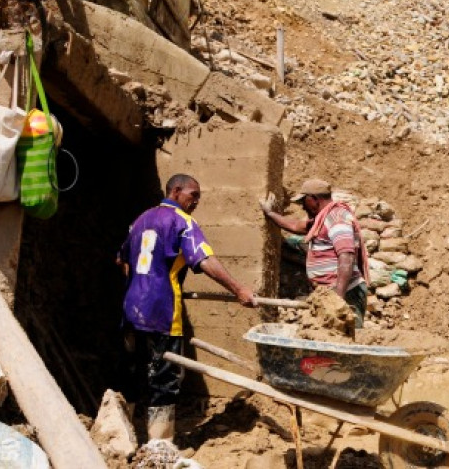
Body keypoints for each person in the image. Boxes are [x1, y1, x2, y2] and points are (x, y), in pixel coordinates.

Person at [116, 173, 255, 443]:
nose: (196, 202)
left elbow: (121, 259)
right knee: (164, 377)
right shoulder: (183, 222)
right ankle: (160, 444)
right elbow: (204, 260)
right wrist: (238, 289)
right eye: (194, 195)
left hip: (131, 309)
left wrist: (138, 284)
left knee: (130, 370)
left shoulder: (140, 220)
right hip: (162, 311)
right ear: (176, 191)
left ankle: (121, 437)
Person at [259, 178, 369, 327]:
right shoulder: (322, 219)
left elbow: (346, 256)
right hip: (329, 293)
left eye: (303, 202)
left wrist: (338, 298)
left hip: (346, 293)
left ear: (313, 199)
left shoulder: (336, 217)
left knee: (343, 342)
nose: (303, 207)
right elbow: (296, 226)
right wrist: (270, 214)